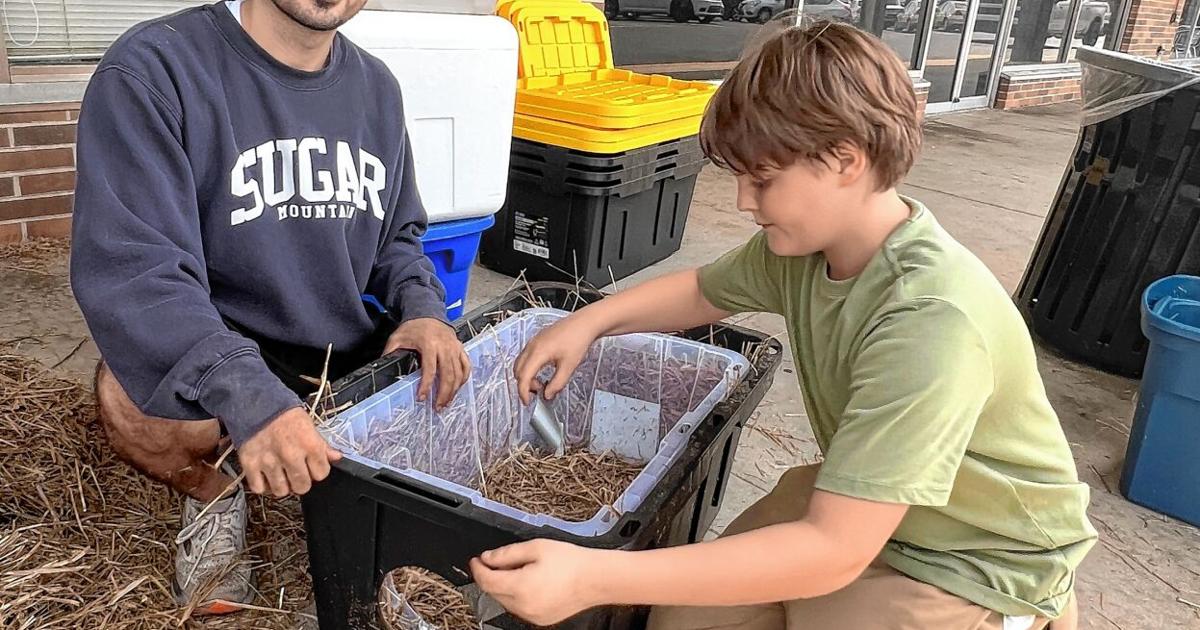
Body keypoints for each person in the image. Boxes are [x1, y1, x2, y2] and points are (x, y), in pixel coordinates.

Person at [470, 19, 1097, 630]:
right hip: (870, 505)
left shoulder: (929, 322)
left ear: (845, 159)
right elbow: (701, 290)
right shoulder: (804, 249)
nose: (744, 201)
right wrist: (589, 322)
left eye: (763, 179)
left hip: (978, 558)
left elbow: (832, 550)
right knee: (684, 619)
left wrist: (594, 576)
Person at [70, 0, 469, 615]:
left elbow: (398, 239)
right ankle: (212, 494)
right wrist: (250, 396)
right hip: (225, 341)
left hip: (341, 352)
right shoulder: (156, 68)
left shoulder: (376, 89)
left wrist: (422, 310)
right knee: (130, 395)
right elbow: (138, 273)